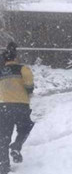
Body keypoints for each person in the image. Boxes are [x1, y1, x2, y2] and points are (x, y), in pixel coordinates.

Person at [0, 42, 34, 174]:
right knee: (25, 128)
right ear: (15, 58)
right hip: (21, 105)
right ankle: (16, 145)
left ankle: (3, 167)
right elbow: (29, 84)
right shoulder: (22, 68)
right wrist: (28, 90)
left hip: (3, 107)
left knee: (3, 137)